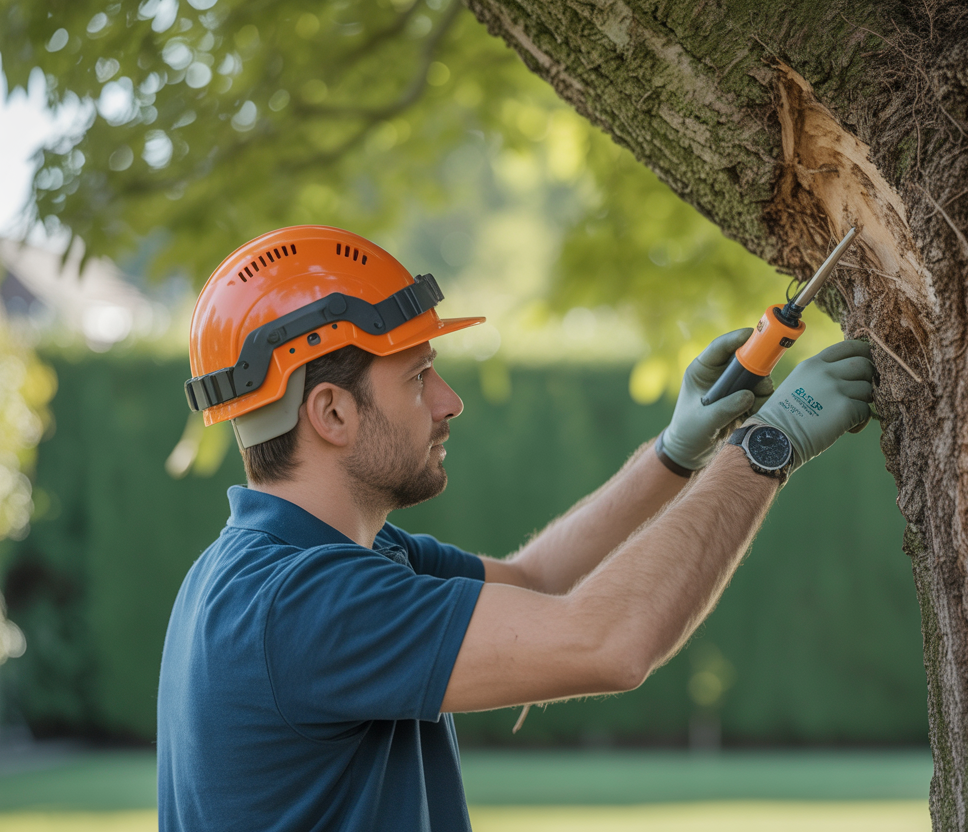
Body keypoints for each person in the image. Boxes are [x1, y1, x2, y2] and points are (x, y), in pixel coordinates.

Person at [158, 225, 876, 831]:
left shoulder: (295, 563)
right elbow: (609, 642)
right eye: (418, 376)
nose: (449, 401)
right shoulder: (304, 602)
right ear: (332, 413)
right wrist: (765, 446)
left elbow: (536, 580)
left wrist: (676, 451)